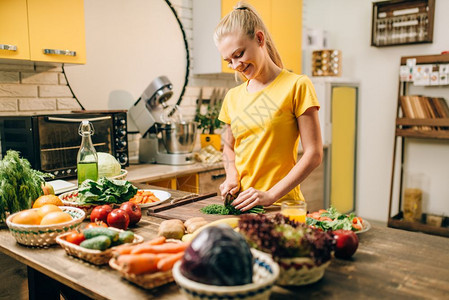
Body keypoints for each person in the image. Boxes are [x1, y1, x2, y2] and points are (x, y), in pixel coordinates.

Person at [214, 2, 323, 212]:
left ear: (259, 38)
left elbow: (314, 154)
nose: (236, 66)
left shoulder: (297, 85)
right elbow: (228, 146)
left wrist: (270, 195)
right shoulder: (232, 96)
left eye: (239, 55)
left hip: (281, 207)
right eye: (229, 60)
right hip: (241, 205)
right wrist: (231, 177)